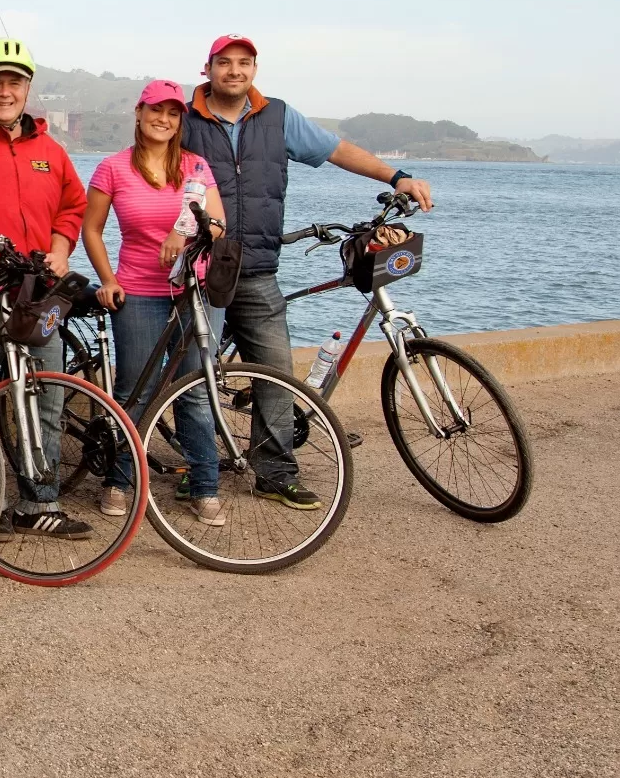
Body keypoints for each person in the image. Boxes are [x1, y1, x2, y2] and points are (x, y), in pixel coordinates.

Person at [183, 34, 435, 508]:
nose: (234, 71)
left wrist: (397, 177)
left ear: (254, 69)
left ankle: (275, 472)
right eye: (224, 63)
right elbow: (150, 170)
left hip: (257, 267)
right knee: (195, 371)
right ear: (208, 68)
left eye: (244, 63)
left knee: (277, 370)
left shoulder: (277, 116)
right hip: (200, 268)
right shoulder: (184, 117)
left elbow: (336, 150)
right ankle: (195, 468)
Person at [0, 38, 91, 541]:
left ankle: (40, 503)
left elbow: (74, 205)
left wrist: (61, 247)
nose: (5, 91)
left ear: (28, 88)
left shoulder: (50, 151)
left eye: (14, 81)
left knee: (48, 397)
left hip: (38, 293)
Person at [82, 80, 229, 524]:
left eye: (172, 112)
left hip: (194, 293)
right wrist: (107, 280)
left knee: (195, 393)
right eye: (154, 110)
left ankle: (204, 488)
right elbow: (91, 230)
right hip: (140, 292)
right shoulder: (112, 168)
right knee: (134, 393)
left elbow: (218, 224)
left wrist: (182, 233)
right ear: (138, 113)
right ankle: (119, 482)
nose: (162, 119)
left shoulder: (196, 167)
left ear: (180, 119)